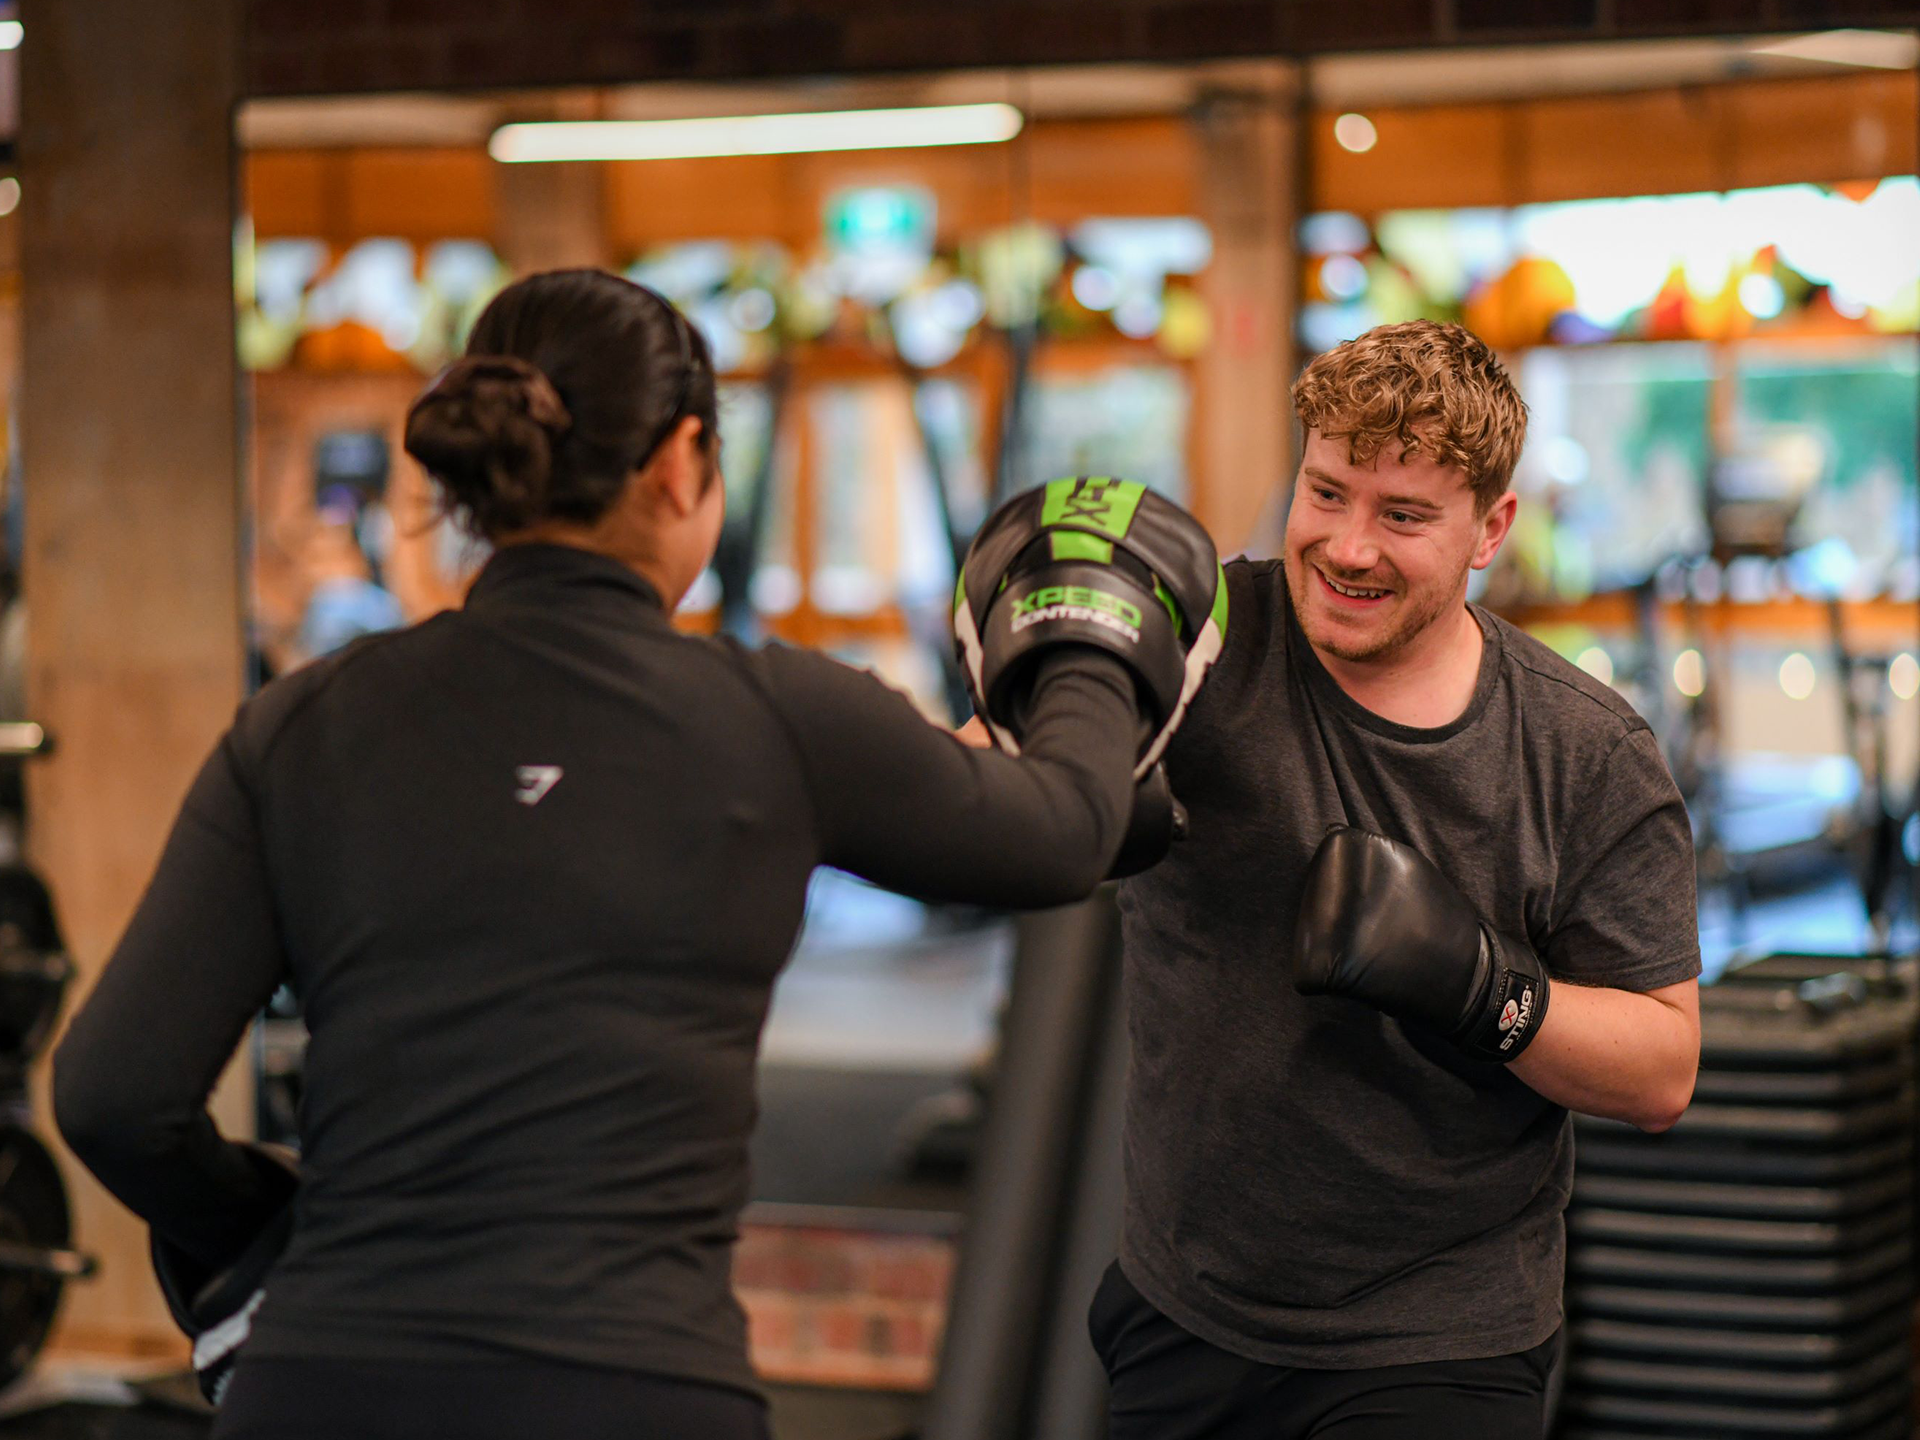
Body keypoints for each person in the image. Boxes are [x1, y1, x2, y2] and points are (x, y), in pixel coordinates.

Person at [50, 268, 1221, 1440]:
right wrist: (1089, 627)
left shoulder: (304, 723)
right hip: (628, 1392)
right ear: (682, 460)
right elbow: (1068, 831)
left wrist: (274, 1237)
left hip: (326, 1383)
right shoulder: (781, 717)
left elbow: (113, 1098)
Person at [1092, 320, 1702, 1439]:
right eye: (1326, 493)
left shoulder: (1583, 754)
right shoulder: (1199, 641)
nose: (1349, 546)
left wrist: (1487, 992)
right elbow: (994, 785)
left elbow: (1663, 1068)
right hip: (1189, 1306)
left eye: (1404, 515)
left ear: (1490, 529)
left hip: (1443, 1337)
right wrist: (1035, 688)